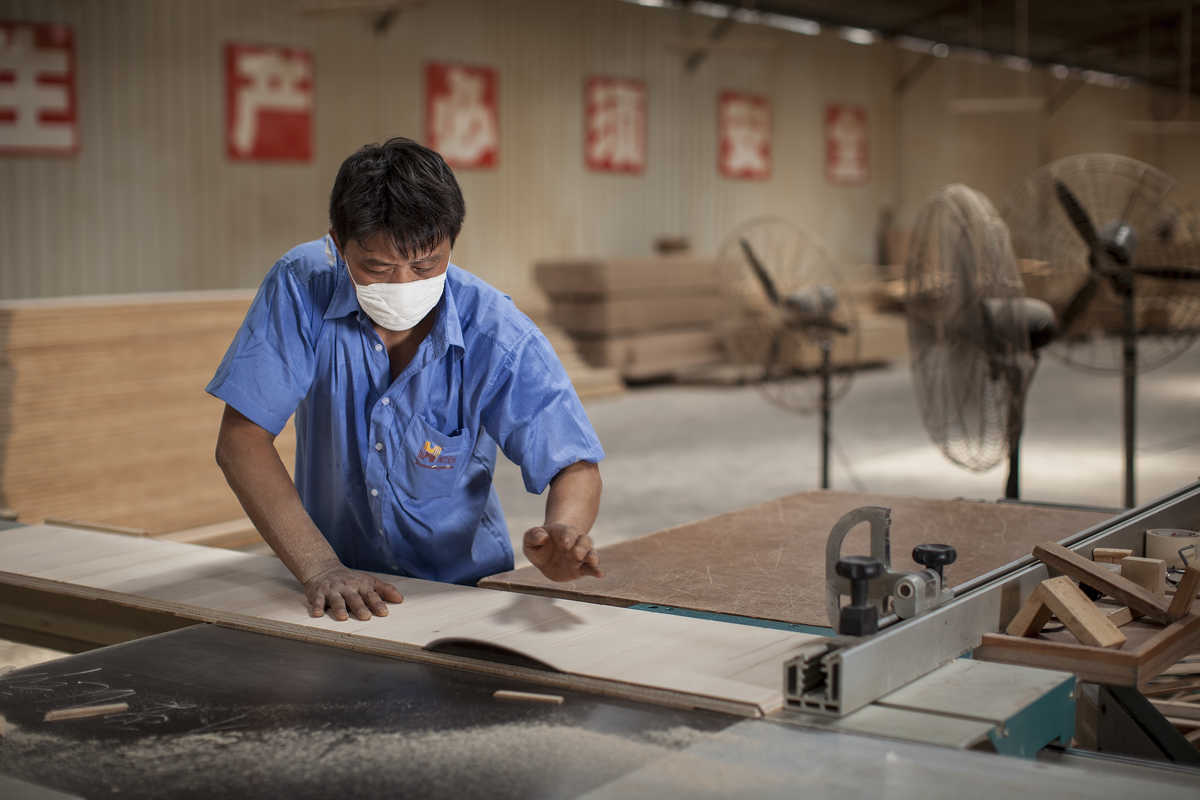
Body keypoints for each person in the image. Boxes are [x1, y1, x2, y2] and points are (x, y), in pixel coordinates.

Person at [208, 137, 605, 622]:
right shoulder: (302, 287)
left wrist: (565, 532)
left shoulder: (496, 333)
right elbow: (241, 440)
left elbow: (573, 462)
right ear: (337, 243)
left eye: (425, 266)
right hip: (336, 591)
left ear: (451, 244)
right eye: (376, 267)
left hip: (461, 592)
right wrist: (319, 568)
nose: (402, 286)